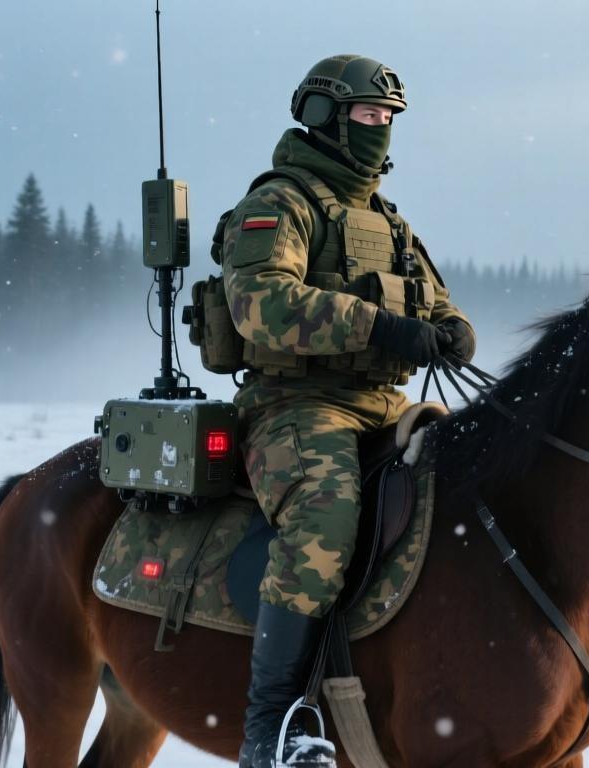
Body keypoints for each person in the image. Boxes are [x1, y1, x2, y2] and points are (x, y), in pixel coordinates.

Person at [221, 54, 476, 768]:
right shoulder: (281, 202)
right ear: (325, 118)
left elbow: (439, 300)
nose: (382, 130)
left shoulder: (387, 221)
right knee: (326, 523)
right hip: (295, 407)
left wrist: (453, 331)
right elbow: (260, 303)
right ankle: (272, 729)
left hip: (385, 404)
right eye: (370, 116)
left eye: (390, 119)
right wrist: (378, 327)